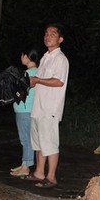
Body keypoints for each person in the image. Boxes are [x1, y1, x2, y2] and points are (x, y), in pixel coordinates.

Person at [24, 24, 69, 188]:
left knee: (49, 143)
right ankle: (39, 172)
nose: (48, 36)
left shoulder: (60, 59)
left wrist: (37, 80)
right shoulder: (44, 58)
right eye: (46, 33)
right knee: (39, 143)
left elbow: (58, 81)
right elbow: (37, 81)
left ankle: (51, 177)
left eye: (53, 34)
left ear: (60, 39)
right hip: (38, 107)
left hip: (50, 108)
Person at [10, 47, 40, 177]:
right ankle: (24, 164)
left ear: (27, 56)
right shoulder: (34, 72)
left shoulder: (29, 74)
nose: (21, 57)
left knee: (26, 139)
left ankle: (26, 167)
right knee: (26, 138)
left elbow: (19, 93)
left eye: (22, 55)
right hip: (26, 110)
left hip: (25, 110)